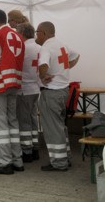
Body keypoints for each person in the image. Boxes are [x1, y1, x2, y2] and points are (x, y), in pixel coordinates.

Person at [0, 9, 25, 175]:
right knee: (12, 122)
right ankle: (17, 160)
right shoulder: (17, 35)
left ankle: (4, 162)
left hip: (0, 83)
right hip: (14, 82)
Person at [35, 21, 80, 171]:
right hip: (63, 90)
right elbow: (76, 56)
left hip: (51, 92)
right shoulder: (62, 44)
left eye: (37, 32)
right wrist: (64, 70)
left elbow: (43, 64)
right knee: (60, 126)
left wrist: (43, 76)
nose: (36, 35)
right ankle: (65, 157)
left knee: (52, 128)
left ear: (44, 33)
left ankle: (59, 162)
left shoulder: (46, 47)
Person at [15, 23, 41, 162]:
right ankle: (35, 147)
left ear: (22, 33)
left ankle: (27, 151)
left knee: (24, 121)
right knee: (32, 119)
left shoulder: (23, 48)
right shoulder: (39, 47)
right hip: (35, 88)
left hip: (24, 89)